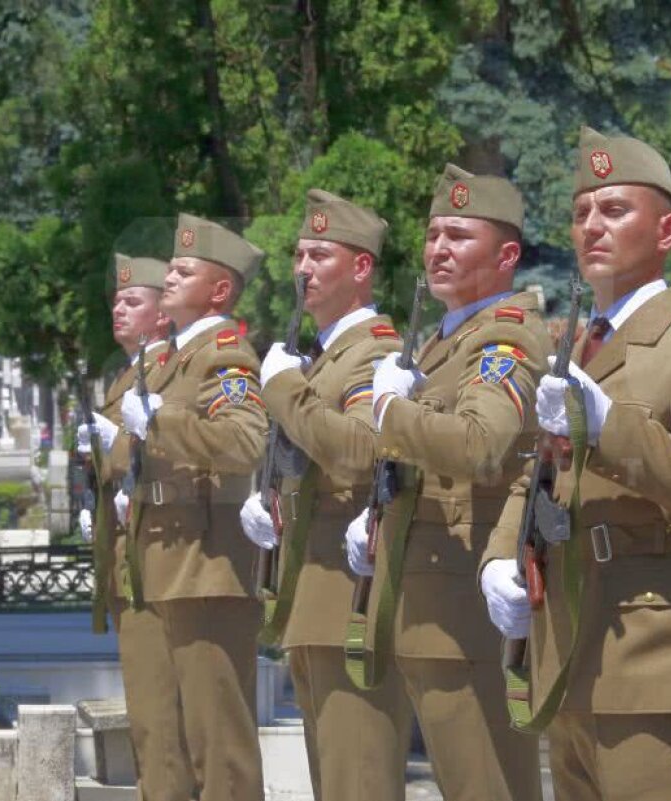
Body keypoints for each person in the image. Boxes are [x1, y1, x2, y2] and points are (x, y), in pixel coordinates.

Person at [480, 126, 671, 801]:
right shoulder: (579, 346)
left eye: (614, 210)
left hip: (655, 659)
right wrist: (499, 553)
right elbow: (539, 471)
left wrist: (611, 427)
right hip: (571, 657)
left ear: (666, 232)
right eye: (582, 213)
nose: (591, 228)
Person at [342, 164, 546, 801]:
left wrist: (387, 412)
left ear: (506, 254)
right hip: (424, 607)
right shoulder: (439, 344)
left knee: (488, 785)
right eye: (433, 235)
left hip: (468, 615)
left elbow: (479, 445)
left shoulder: (506, 336)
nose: (438, 249)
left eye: (459, 235)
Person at [236, 190, 412, 800]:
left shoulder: (376, 352)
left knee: (358, 776)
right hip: (312, 587)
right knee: (331, 778)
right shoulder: (321, 355)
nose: (302, 268)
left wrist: (284, 388)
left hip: (352, 590)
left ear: (361, 267)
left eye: (319, 255)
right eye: (299, 254)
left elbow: (360, 451)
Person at [112, 214, 269, 801]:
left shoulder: (223, 353)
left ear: (220, 290)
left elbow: (244, 440)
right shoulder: (175, 357)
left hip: (208, 565)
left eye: (183, 270)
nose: (169, 278)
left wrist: (159, 420)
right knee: (174, 740)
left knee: (219, 749)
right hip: (170, 561)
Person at [76, 253, 195, 799]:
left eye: (133, 301)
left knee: (167, 720)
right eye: (116, 301)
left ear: (163, 315)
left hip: (166, 559)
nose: (118, 310)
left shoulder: (171, 369)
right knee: (149, 719)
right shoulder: (129, 374)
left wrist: (114, 449)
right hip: (132, 563)